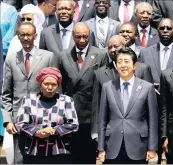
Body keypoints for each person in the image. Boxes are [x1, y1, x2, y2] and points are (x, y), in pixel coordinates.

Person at [1, 22, 58, 164]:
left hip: (43, 118)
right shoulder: (11, 59)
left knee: (41, 159)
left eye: (29, 35)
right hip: (18, 120)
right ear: (18, 37)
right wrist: (7, 120)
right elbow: (6, 93)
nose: (26, 38)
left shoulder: (48, 57)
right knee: (19, 159)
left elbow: (57, 90)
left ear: (35, 36)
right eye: (22, 35)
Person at [98, 47, 158, 164]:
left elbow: (153, 120)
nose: (123, 65)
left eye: (127, 61)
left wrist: (152, 147)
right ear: (116, 66)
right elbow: (102, 120)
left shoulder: (147, 87)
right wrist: (101, 148)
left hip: (138, 145)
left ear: (134, 65)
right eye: (119, 62)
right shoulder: (107, 87)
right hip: (113, 144)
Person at [59, 22, 108, 164]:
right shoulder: (64, 55)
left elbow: (102, 82)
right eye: (78, 37)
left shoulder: (99, 54)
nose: (81, 40)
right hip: (70, 112)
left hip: (89, 111)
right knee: (71, 155)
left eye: (85, 37)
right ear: (73, 36)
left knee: (88, 154)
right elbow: (60, 85)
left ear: (90, 36)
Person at [15, 67, 78, 164]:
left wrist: (54, 131)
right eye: (46, 84)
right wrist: (37, 132)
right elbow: (20, 123)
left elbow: (73, 125)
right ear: (40, 84)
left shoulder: (66, 100)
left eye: (53, 84)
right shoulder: (29, 100)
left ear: (58, 85)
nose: (50, 87)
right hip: (34, 153)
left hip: (60, 153)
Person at [139, 18, 173, 86]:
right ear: (158, 31)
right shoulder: (145, 52)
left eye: (169, 28)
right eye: (162, 28)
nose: (165, 31)